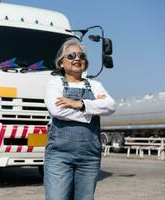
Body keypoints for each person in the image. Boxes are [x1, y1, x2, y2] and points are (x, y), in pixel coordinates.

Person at [44, 37, 116, 200]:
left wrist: (80, 104)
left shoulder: (95, 85)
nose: (77, 58)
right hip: (60, 154)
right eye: (71, 56)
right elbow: (58, 111)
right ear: (61, 63)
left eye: (81, 56)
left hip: (90, 155)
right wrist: (93, 110)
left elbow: (110, 106)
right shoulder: (55, 84)